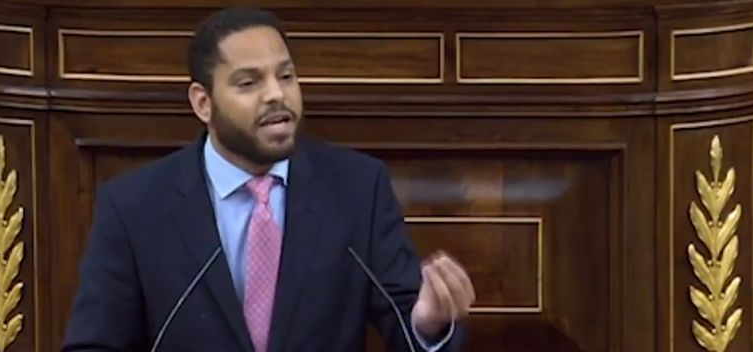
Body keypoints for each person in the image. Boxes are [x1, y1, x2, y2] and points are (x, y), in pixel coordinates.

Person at [61, 6, 475, 352]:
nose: (276, 94)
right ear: (203, 103)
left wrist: (428, 323)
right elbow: (94, 343)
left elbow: (406, 323)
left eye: (286, 76)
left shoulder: (357, 189)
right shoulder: (135, 208)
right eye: (249, 82)